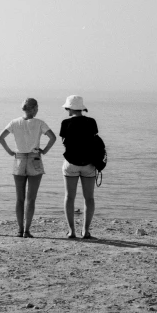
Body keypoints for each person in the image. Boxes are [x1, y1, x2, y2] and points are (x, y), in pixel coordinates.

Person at [0, 98, 56, 238]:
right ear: (34, 108)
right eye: (37, 107)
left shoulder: (14, 122)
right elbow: (52, 137)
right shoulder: (39, 123)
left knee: (19, 198)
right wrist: (45, 151)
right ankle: (27, 231)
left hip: (19, 159)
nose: (38, 110)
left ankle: (19, 229)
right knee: (31, 198)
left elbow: (0, 138)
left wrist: (10, 151)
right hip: (35, 158)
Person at [59, 95, 99, 239]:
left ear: (70, 108)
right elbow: (94, 139)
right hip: (88, 163)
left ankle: (71, 231)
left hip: (71, 163)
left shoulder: (65, 123)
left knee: (69, 197)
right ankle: (86, 231)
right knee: (89, 198)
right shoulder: (91, 122)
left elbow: (65, 142)